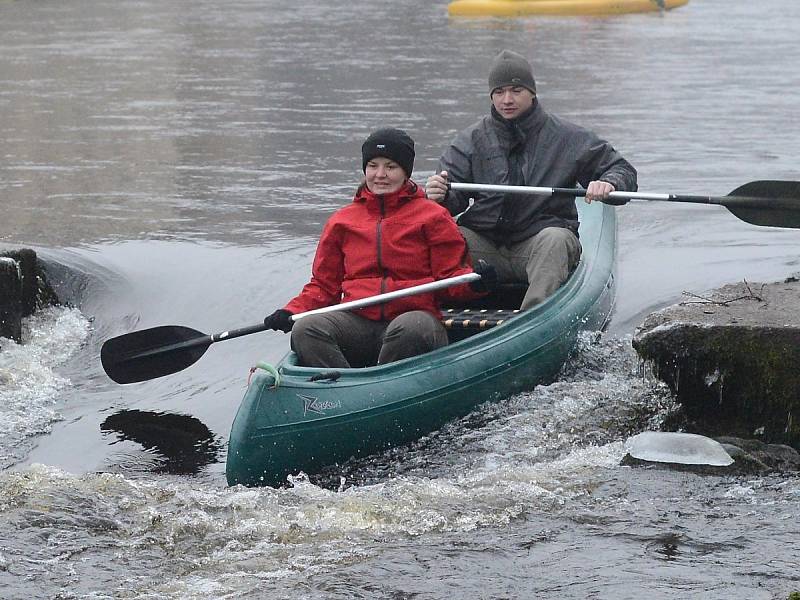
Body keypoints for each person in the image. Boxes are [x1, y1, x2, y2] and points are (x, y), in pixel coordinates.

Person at [263, 127, 495, 368]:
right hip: (358, 320)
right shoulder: (342, 221)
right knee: (306, 329)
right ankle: (341, 387)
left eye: (391, 167)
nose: (380, 174)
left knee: (411, 329)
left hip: (414, 319)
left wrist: (474, 283)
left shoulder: (434, 216)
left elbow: (450, 279)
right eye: (373, 165)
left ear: (406, 172)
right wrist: (291, 310)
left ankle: (381, 387)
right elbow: (324, 286)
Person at [426, 49, 637, 309]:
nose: (507, 99)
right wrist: (440, 195)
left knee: (555, 240)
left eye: (516, 91)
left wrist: (610, 182)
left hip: (539, 244)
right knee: (443, 235)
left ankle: (532, 318)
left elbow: (622, 170)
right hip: (487, 244)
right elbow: (450, 202)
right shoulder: (470, 140)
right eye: (499, 92)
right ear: (491, 96)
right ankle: (438, 309)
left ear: (532, 92)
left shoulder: (568, 137)